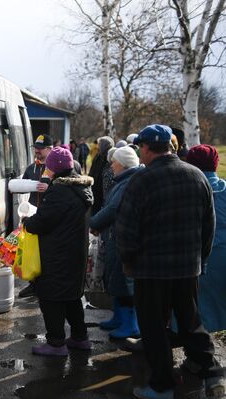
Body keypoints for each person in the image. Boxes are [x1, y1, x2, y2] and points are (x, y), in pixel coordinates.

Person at [115, 124, 224, 399]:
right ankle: (208, 368)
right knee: (190, 320)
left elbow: (126, 230)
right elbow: (208, 226)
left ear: (148, 148)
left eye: (141, 147)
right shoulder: (196, 176)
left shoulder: (141, 180)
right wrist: (201, 260)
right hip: (188, 268)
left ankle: (162, 385)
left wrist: (128, 261)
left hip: (151, 270)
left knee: (154, 328)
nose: (140, 152)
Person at [23, 147, 94, 356]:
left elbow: (42, 222)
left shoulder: (59, 191)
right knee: (72, 296)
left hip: (57, 254)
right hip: (76, 252)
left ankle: (56, 343)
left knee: (51, 297)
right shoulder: (83, 189)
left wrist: (27, 222)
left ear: (53, 169)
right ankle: (80, 338)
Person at [90, 146, 141, 339]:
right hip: (114, 236)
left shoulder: (128, 182)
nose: (111, 165)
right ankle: (119, 318)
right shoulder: (124, 180)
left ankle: (131, 325)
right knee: (116, 280)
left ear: (123, 163)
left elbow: (113, 209)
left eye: (114, 162)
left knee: (124, 282)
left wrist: (94, 222)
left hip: (122, 239)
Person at [186, 144, 226, 334]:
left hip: (195, 258)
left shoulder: (187, 190)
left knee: (192, 308)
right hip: (222, 256)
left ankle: (196, 354)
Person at [17, 134, 53, 298]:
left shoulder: (55, 169)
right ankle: (33, 284)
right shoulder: (31, 168)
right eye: (35, 148)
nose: (37, 152)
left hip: (49, 215)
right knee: (32, 251)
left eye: (40, 148)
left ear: (50, 149)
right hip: (33, 214)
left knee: (46, 252)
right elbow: (23, 187)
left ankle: (44, 285)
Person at [88, 136, 114, 215]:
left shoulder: (110, 157)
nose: (98, 146)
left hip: (104, 190)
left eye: (100, 144)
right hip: (95, 188)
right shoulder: (98, 156)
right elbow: (92, 171)